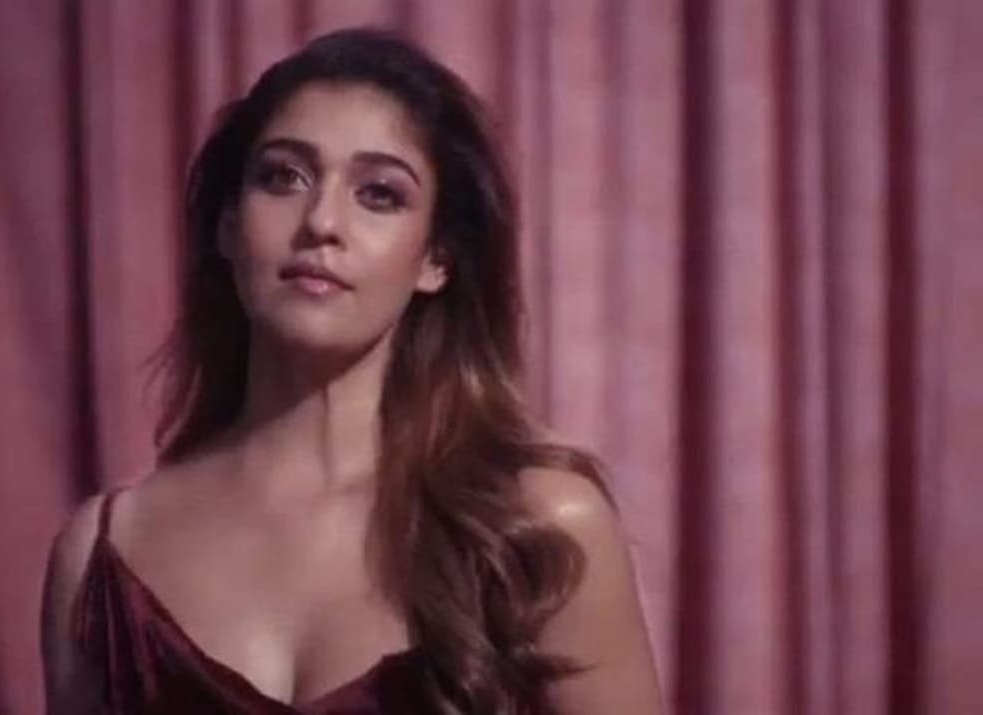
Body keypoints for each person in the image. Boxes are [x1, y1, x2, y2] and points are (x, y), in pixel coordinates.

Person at [41, 27, 662, 715]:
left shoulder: (540, 528)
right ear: (227, 225)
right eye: (283, 177)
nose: (321, 221)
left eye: (379, 194)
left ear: (437, 259)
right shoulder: (105, 554)